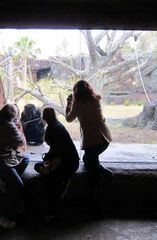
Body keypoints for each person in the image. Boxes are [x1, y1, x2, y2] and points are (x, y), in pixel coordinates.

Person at [65, 79, 113, 215]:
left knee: (93, 171)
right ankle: (104, 173)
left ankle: (98, 199)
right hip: (104, 137)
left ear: (76, 92)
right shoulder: (96, 99)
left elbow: (68, 118)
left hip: (92, 141)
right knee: (88, 159)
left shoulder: (78, 104)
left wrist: (69, 103)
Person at [0, 104, 29, 229]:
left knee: (25, 160)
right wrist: (19, 128)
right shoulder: (10, 126)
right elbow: (23, 145)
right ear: (14, 116)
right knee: (18, 184)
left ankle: (5, 181)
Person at [34, 107, 79, 222]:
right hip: (70, 161)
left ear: (43, 117)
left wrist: (48, 160)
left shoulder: (53, 129)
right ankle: (52, 211)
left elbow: (56, 151)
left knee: (48, 180)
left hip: (67, 164)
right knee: (42, 168)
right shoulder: (57, 125)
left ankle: (51, 212)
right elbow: (56, 150)